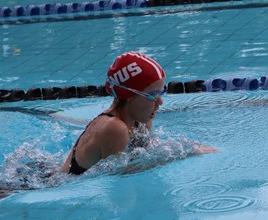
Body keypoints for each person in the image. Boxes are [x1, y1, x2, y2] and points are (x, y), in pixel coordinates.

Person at [61, 51, 217, 175]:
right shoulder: (113, 128)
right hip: (59, 184)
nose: (160, 102)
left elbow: (146, 154)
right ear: (129, 95)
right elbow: (124, 176)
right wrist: (181, 155)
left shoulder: (142, 118)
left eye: (161, 93)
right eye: (152, 95)